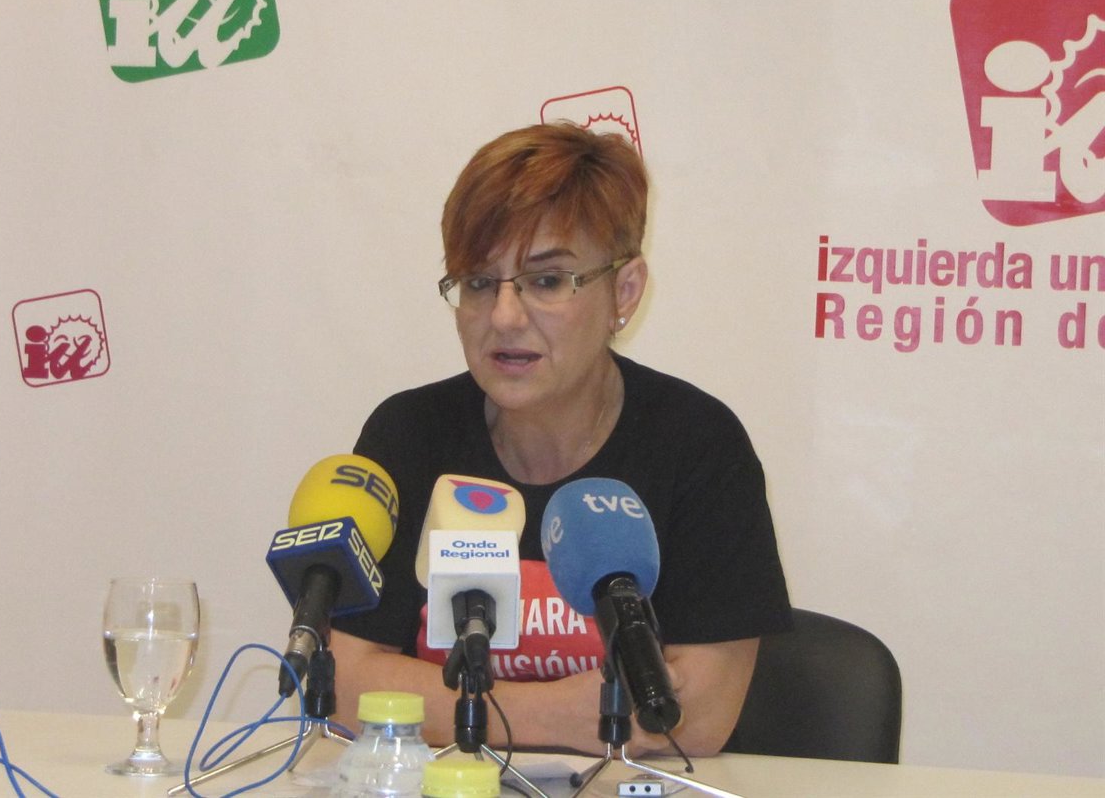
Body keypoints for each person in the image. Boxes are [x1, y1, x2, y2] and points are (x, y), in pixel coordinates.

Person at [330, 122, 791, 758]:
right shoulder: (410, 435)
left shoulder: (698, 444)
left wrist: (446, 704)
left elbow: (701, 714)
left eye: (547, 281)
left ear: (624, 292)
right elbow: (345, 681)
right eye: (478, 282)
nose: (504, 317)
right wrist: (554, 715)